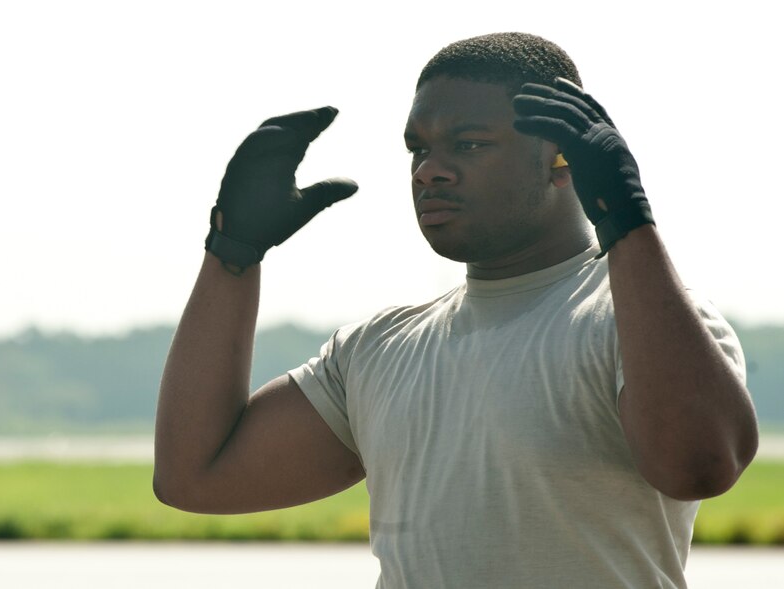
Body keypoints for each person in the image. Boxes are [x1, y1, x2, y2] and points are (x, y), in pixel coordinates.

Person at [153, 32, 758, 588]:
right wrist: (232, 254)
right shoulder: (376, 349)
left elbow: (700, 465)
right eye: (418, 148)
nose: (428, 171)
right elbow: (193, 476)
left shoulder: (638, 321)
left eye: (468, 144)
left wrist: (627, 222)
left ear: (562, 157)